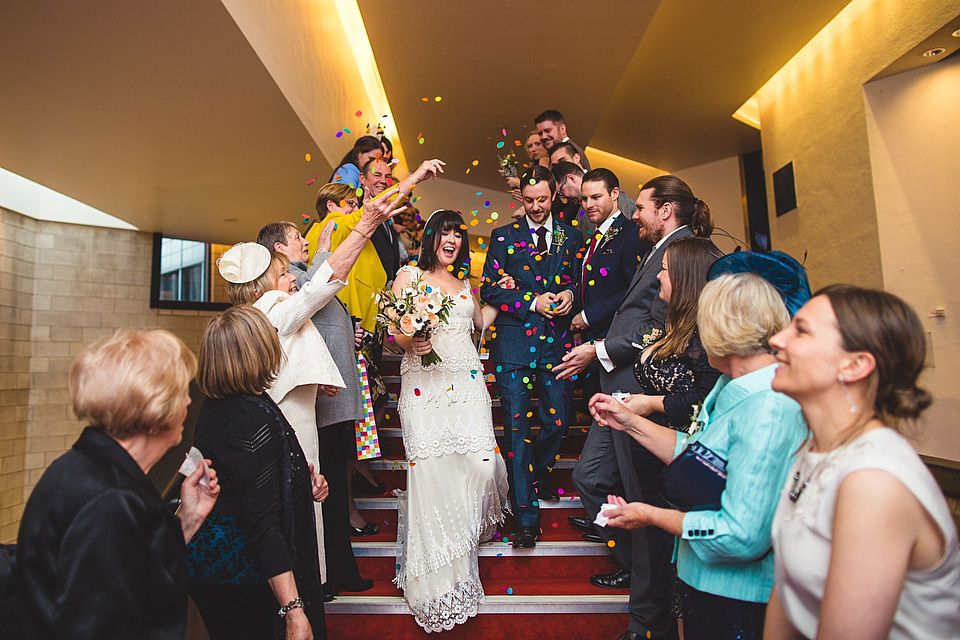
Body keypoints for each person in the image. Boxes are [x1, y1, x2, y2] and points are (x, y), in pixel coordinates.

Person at [593, 261, 809, 640]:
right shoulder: (729, 388)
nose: (696, 337)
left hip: (735, 599)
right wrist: (629, 421)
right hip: (700, 582)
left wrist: (650, 515)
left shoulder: (770, 407)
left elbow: (740, 537)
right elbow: (697, 457)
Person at [554, 175, 714, 640]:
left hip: (645, 393)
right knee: (593, 480)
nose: (634, 213)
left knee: (646, 505)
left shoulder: (681, 254)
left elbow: (662, 330)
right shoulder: (663, 250)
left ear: (665, 209)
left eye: (640, 206)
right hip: (627, 393)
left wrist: (600, 350)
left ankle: (650, 618)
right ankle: (645, 581)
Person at [765, 286, 960, 639]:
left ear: (855, 365)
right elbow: (788, 586)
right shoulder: (814, 450)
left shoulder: (873, 480)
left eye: (802, 330)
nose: (777, 340)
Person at [16, 329, 220, 640]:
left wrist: (189, 520)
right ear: (154, 410)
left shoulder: (87, 469)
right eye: (181, 393)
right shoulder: (109, 500)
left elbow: (135, 570)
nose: (189, 402)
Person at [389, 209, 509, 632]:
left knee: (482, 465)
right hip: (424, 388)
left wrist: (505, 288)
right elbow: (394, 332)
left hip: (467, 384)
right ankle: (438, 577)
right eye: (445, 232)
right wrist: (411, 338)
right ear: (430, 238)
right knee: (433, 475)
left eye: (458, 234)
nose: (453, 239)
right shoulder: (409, 275)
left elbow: (479, 322)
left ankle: (460, 544)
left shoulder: (464, 285)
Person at [188, 306, 329, 640]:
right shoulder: (249, 418)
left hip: (219, 568)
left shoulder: (221, 406)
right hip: (242, 575)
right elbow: (262, 524)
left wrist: (298, 479)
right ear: (256, 352)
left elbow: (245, 477)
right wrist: (294, 612)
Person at [257, 217, 374, 597]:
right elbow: (317, 288)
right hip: (313, 409)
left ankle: (336, 570)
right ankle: (330, 574)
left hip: (327, 400)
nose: (303, 243)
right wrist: (325, 248)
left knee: (334, 489)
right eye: (296, 239)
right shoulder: (286, 282)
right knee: (327, 491)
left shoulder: (298, 274)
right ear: (279, 250)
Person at [480, 165, 583, 548]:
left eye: (543, 199)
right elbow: (489, 289)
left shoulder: (572, 236)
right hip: (513, 347)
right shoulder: (502, 236)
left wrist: (571, 296)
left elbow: (577, 279)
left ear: (554, 195)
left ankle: (527, 477)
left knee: (558, 421)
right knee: (517, 431)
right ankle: (526, 518)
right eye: (529, 200)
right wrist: (531, 301)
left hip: (558, 344)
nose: (537, 207)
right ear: (520, 199)